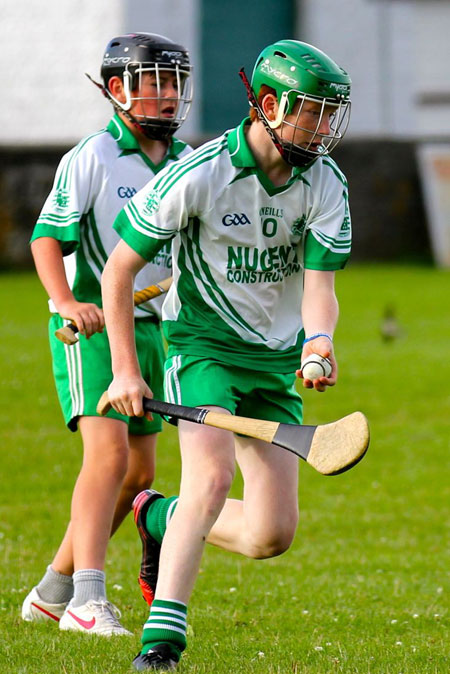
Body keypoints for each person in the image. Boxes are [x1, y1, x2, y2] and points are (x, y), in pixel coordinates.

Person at [102, 39, 352, 667]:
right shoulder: (201, 174)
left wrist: (318, 342)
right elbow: (118, 272)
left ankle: (157, 518)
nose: (324, 127)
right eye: (313, 111)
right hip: (202, 344)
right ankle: (162, 643)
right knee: (210, 479)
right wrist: (127, 369)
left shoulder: (324, 182)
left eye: (331, 113)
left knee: (271, 535)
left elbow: (320, 287)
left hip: (273, 358)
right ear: (269, 104)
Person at [21, 32, 194, 636]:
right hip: (90, 328)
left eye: (175, 83)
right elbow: (48, 237)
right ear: (118, 91)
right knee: (109, 453)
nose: (169, 97)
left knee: (140, 475)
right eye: (155, 83)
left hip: (151, 330)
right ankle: (86, 602)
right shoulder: (91, 157)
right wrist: (65, 301)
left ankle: (52, 589)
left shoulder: (185, 162)